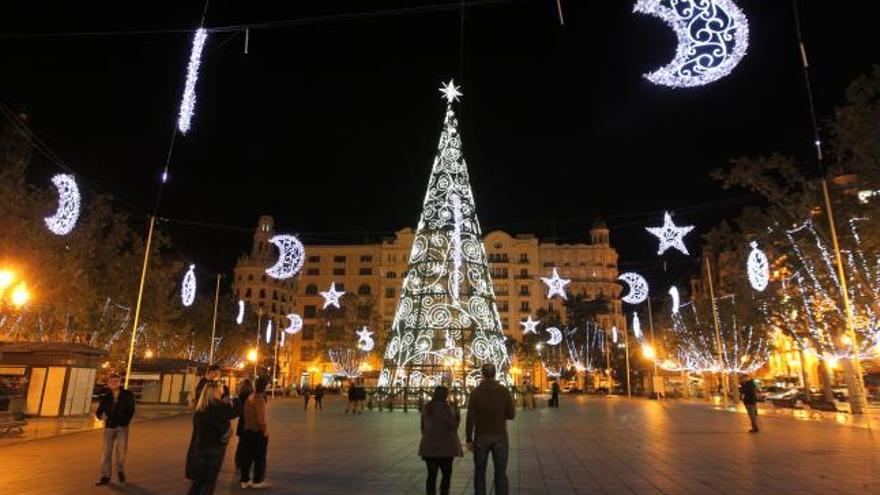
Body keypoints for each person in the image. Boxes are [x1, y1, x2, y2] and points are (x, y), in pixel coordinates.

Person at [466, 364, 515, 495]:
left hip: (481, 437)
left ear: (482, 374)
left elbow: (470, 417)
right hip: (500, 436)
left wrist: (468, 438)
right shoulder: (504, 391)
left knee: (480, 472)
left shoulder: (475, 393)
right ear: (495, 374)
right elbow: (511, 415)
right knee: (500, 473)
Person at [187, 382, 237, 495]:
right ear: (214, 393)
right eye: (219, 391)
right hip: (215, 447)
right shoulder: (218, 407)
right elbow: (232, 416)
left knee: (198, 481)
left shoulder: (199, 410)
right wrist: (234, 399)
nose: (220, 393)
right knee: (210, 480)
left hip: (200, 448)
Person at [418, 386, 462, 495]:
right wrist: (457, 416)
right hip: (445, 448)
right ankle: (444, 492)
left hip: (429, 447)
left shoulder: (427, 408)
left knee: (431, 476)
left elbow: (423, 427)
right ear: (446, 395)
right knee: (446, 475)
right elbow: (453, 426)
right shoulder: (448, 409)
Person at [95, 373, 136, 486]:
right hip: (109, 427)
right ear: (108, 383)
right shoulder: (106, 396)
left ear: (120, 382)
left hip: (122, 427)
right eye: (111, 382)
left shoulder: (127, 394)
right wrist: (101, 417)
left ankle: (120, 470)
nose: (113, 383)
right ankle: (105, 476)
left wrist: (125, 422)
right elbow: (99, 411)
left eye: (116, 381)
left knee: (121, 452)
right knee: (106, 453)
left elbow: (131, 410)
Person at [240, 376, 270, 488]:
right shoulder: (260, 399)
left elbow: (245, 414)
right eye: (268, 384)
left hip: (247, 430)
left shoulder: (250, 396)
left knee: (246, 457)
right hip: (257, 432)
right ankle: (257, 481)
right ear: (264, 386)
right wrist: (265, 431)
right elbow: (261, 419)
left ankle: (245, 480)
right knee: (259, 457)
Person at [234, 378, 254, 470]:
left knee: (241, 443)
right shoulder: (252, 395)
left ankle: (238, 461)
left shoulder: (240, 395)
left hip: (242, 421)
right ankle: (246, 461)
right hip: (250, 421)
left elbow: (237, 410)